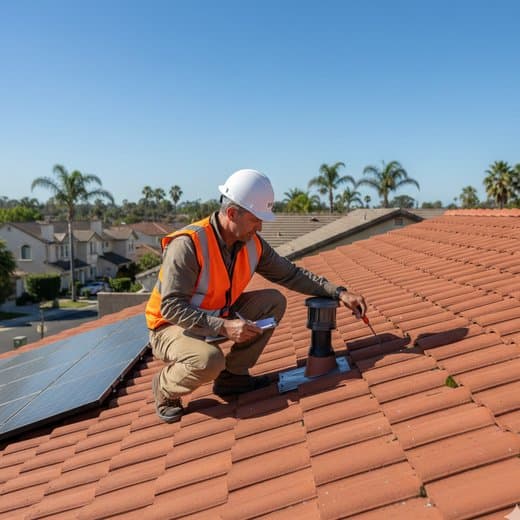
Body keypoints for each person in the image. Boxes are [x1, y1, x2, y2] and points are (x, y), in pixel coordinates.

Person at [145, 169, 367, 423]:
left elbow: (292, 274)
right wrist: (223, 326)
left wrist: (338, 292)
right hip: (170, 327)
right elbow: (171, 307)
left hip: (216, 315)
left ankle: (233, 378)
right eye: (255, 219)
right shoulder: (188, 245)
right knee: (209, 360)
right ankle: (164, 388)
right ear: (231, 213)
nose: (260, 226)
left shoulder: (252, 243)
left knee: (273, 301)